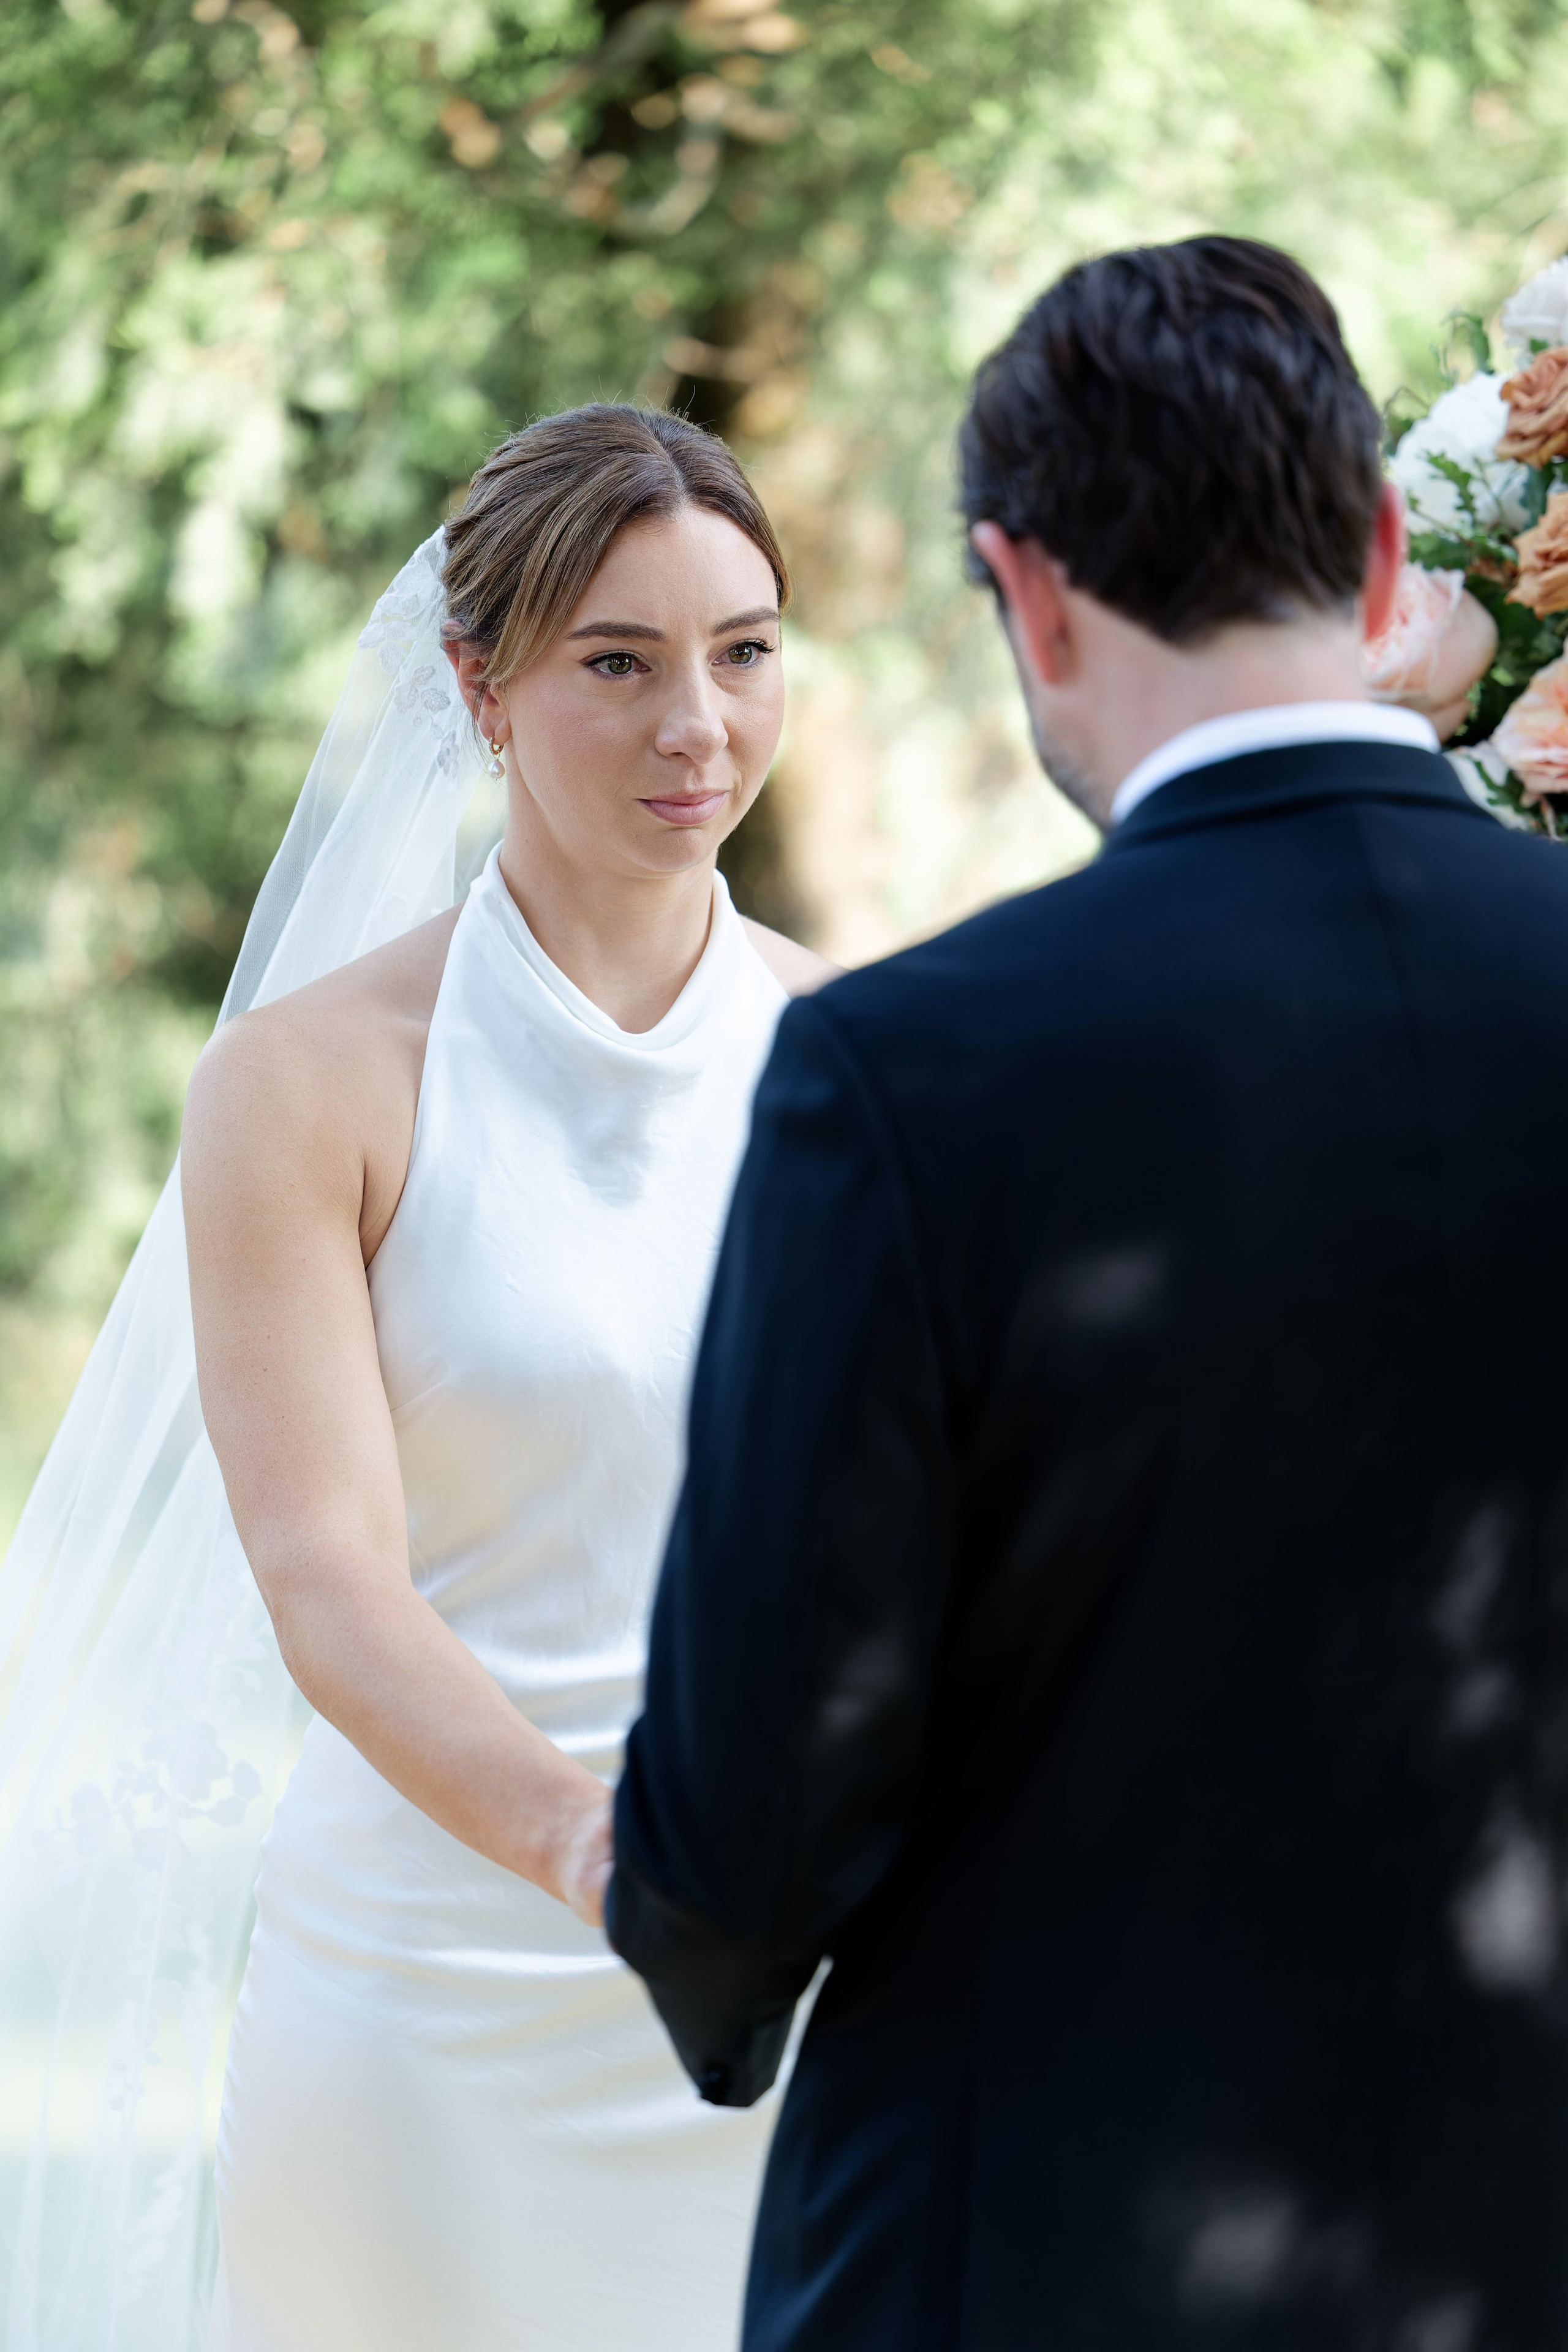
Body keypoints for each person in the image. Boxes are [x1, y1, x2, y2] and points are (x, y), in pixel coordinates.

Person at [608, 236, 1568, 2352]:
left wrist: (696, 1950)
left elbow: (751, 1797)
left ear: (1026, 588)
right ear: (1391, 548)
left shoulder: (918, 1069)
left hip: (1032, 2250)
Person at [2, 402, 834, 2349]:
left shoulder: (867, 1055)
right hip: (435, 2013)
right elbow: (324, 1578)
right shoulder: (306, 1085)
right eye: (614, 663)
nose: (695, 724)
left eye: (744, 651)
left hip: (788, 2017)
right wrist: (605, 1855)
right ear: (479, 684)